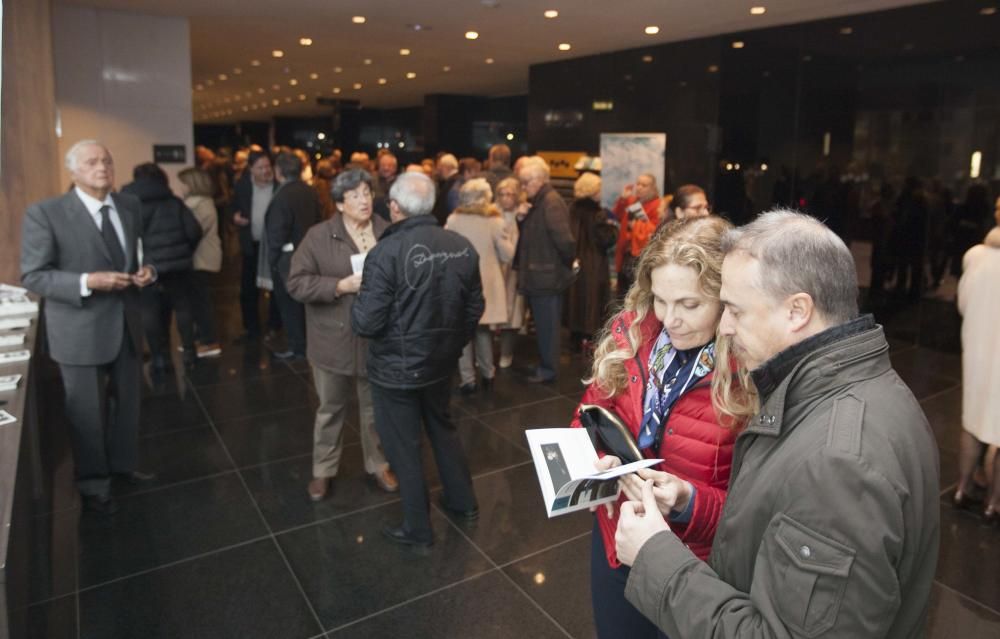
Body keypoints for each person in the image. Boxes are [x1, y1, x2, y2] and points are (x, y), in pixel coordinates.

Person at [615, 210, 940, 638]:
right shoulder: (870, 392)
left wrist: (655, 556)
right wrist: (691, 499)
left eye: (733, 309)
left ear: (797, 311)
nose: (724, 327)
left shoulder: (840, 463)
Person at [570, 216, 753, 639]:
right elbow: (587, 415)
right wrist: (600, 461)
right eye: (660, 299)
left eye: (690, 305)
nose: (671, 319)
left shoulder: (752, 371)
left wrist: (689, 501)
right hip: (618, 534)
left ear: (727, 299)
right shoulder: (632, 335)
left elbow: (762, 511)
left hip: (699, 564)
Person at [21, 140, 157, 515]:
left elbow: (143, 252)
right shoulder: (46, 213)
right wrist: (86, 281)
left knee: (129, 403)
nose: (103, 168)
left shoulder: (129, 206)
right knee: (86, 411)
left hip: (127, 324)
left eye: (108, 161)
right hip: (79, 329)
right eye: (93, 162)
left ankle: (124, 464)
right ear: (74, 171)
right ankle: (93, 481)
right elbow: (34, 275)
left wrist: (149, 271)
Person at [351, 172, 484, 548]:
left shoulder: (384, 253)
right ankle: (463, 502)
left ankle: (417, 527)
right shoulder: (460, 245)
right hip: (441, 363)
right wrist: (453, 344)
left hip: (396, 371)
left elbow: (367, 321)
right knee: (443, 428)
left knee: (403, 446)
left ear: (394, 208)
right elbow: (474, 307)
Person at [286, 169, 398, 501]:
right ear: (338, 203)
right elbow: (296, 282)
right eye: (355, 195)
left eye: (367, 193)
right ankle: (323, 470)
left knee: (374, 410)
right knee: (330, 409)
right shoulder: (319, 236)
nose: (365, 201)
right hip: (331, 338)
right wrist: (338, 286)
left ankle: (378, 464)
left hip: (376, 338)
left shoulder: (387, 231)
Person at [121, 163, 202, 369]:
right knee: (183, 307)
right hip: (178, 265)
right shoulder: (174, 202)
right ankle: (189, 352)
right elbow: (194, 231)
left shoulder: (130, 204)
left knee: (150, 311)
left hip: (147, 267)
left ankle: (159, 356)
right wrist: (185, 250)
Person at [446, 178, 515, 394]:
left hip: (459, 281)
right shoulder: (494, 221)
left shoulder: (453, 220)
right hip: (487, 283)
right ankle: (488, 375)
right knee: (483, 330)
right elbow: (507, 254)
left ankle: (467, 379)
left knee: (463, 332)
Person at [954, 203, 1000, 522]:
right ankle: (994, 503)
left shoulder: (976, 258)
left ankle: (962, 487)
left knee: (973, 421)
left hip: (979, 351)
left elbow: (963, 304)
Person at [516, 156, 576, 383]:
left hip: (546, 277)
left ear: (539, 180)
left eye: (526, 183)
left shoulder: (550, 201)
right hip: (540, 275)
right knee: (543, 326)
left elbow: (566, 241)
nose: (523, 188)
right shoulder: (540, 201)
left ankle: (549, 369)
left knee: (548, 327)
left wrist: (566, 265)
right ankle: (545, 364)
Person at [265, 151, 322, 360]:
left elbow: (276, 234)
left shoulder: (281, 196)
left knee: (289, 306)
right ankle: (307, 345)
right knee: (305, 304)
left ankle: (298, 347)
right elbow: (318, 221)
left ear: (278, 171)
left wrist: (272, 262)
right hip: (310, 255)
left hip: (288, 259)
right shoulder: (310, 191)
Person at [229, 150, 279, 342]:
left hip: (273, 245)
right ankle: (251, 328)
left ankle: (275, 325)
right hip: (251, 244)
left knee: (275, 286)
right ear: (251, 169)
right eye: (260, 167)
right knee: (248, 288)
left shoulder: (278, 186)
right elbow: (232, 207)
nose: (266, 171)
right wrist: (234, 217)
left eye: (268, 166)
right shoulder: (242, 186)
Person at [565, 172, 617, 352]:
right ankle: (589, 338)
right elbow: (605, 238)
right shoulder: (597, 213)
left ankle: (575, 338)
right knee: (592, 301)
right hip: (593, 262)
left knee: (575, 299)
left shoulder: (570, 209)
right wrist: (613, 229)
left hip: (574, 261)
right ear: (593, 190)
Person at [178, 167, 222, 358]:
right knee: (196, 301)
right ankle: (199, 338)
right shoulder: (195, 203)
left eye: (183, 183)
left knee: (201, 302)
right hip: (197, 258)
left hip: (201, 258)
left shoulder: (201, 204)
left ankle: (209, 341)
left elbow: (195, 232)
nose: (181, 187)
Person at [494, 176, 527, 369]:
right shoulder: (490, 214)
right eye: (502, 194)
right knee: (491, 312)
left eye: (510, 194)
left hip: (514, 270)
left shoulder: (522, 213)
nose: (506, 198)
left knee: (512, 312)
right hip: (495, 268)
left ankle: (506, 353)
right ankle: (487, 354)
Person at [613, 174, 661, 297]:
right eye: (638, 184)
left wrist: (636, 225)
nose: (639, 187)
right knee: (622, 294)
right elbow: (616, 216)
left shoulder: (658, 205)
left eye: (644, 185)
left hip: (642, 256)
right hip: (626, 253)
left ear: (653, 188)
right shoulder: (631, 201)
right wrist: (622, 199)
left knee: (636, 295)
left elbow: (657, 232)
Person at [432, 153, 459, 225]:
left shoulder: (451, 183)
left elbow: (444, 206)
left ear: (448, 167)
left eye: (441, 167)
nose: (439, 171)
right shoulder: (457, 180)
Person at [372, 152, 398, 222]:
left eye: (389, 165)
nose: (386, 168)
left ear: (395, 167)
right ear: (379, 167)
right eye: (383, 165)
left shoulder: (400, 184)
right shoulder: (371, 182)